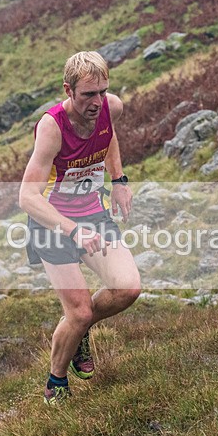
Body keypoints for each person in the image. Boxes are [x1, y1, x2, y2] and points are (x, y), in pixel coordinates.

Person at [19, 51, 141, 404]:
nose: (97, 101)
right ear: (68, 90)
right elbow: (27, 197)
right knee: (80, 310)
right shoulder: (52, 126)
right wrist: (72, 230)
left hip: (93, 214)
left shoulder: (108, 106)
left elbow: (109, 133)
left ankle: (79, 329)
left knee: (128, 288)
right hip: (52, 223)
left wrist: (119, 179)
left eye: (102, 91)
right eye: (88, 94)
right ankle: (54, 385)